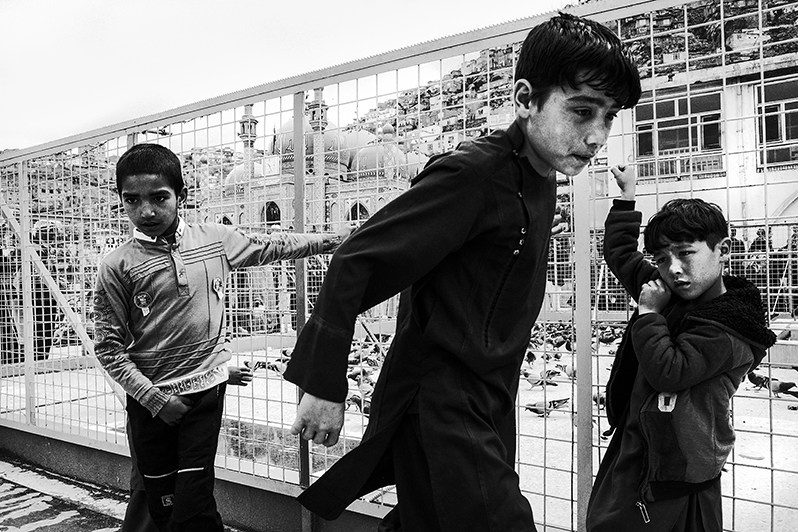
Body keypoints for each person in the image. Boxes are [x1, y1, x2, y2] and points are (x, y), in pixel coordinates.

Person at [283, 12, 641, 531]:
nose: (595, 136)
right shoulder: (474, 173)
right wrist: (324, 383)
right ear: (524, 99)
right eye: (582, 111)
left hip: (491, 394)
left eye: (608, 117)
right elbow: (358, 259)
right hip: (441, 399)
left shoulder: (539, 177)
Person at [93, 143, 345, 531]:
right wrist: (156, 400)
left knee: (192, 497)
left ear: (182, 196)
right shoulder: (117, 266)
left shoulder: (213, 240)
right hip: (153, 405)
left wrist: (333, 241)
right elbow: (109, 349)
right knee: (159, 499)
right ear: (121, 201)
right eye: (132, 200)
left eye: (159, 198)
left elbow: (271, 245)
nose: (146, 212)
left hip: (204, 398)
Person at [586, 166, 777, 532]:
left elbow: (669, 371)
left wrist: (647, 315)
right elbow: (620, 254)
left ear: (723, 251)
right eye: (661, 259)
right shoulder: (669, 290)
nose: (673, 269)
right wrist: (626, 198)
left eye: (686, 253)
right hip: (638, 445)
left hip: (680, 470)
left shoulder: (731, 329)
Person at [121, 365, 253, 532]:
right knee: (153, 489)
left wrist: (221, 374)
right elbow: (117, 360)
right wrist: (158, 401)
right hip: (151, 415)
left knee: (186, 489)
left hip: (182, 409)